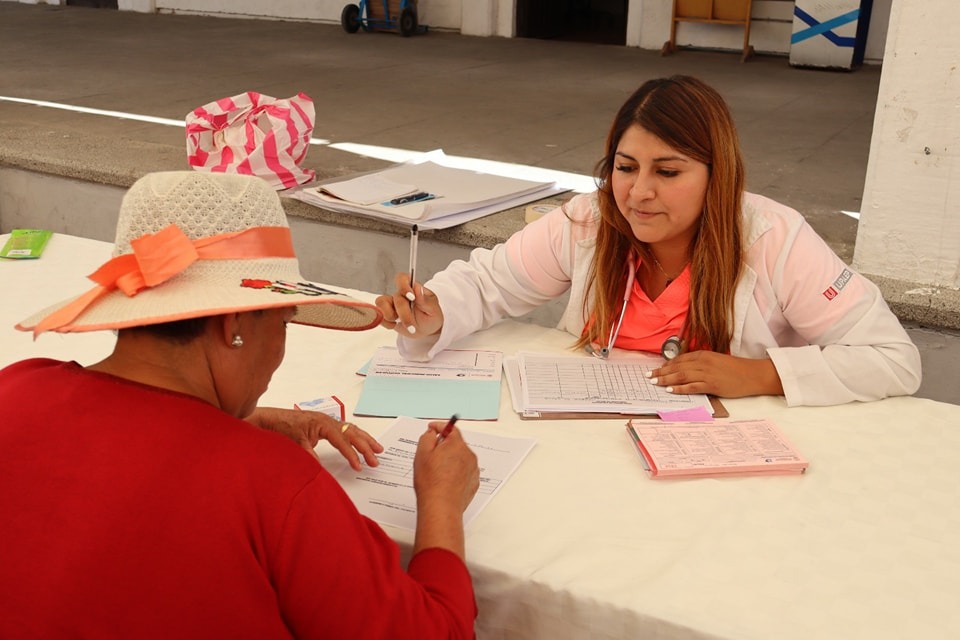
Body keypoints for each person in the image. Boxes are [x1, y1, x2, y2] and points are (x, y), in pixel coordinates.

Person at [0, 171, 480, 639]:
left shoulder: (16, 387)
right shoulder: (275, 483)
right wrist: (442, 500)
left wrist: (246, 423)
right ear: (234, 325)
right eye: (284, 322)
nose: (281, 346)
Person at [376, 75, 921, 407]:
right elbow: (487, 283)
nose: (639, 193)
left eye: (668, 171)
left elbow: (893, 359)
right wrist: (436, 313)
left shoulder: (774, 237)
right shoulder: (590, 221)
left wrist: (763, 374)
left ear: (717, 176)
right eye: (625, 167)